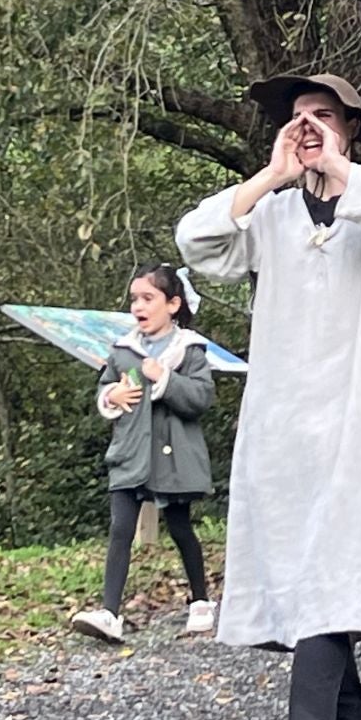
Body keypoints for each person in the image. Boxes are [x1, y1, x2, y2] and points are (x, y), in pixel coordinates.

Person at [176, 72, 361, 720]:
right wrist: (270, 175)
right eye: (299, 118)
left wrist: (337, 167)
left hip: (349, 428)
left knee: (328, 571)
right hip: (280, 428)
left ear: (351, 130)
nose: (310, 128)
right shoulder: (272, 217)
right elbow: (197, 241)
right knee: (304, 574)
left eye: (325, 118)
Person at [72, 263, 217, 643]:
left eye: (148, 298)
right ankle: (109, 612)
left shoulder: (190, 350)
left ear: (172, 304)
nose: (139, 305)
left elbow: (201, 397)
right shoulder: (123, 350)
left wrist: (164, 378)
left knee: (180, 527)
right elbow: (105, 387)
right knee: (120, 529)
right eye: (135, 298)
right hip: (130, 452)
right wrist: (111, 396)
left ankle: (201, 601)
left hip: (172, 457)